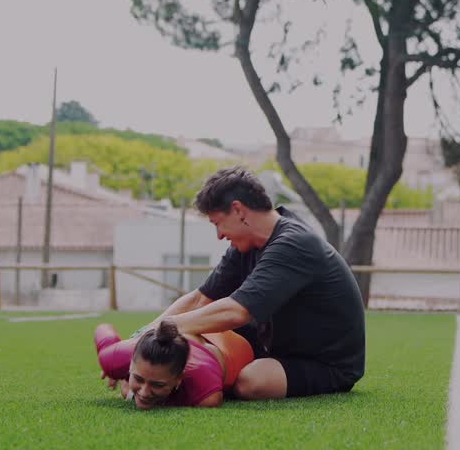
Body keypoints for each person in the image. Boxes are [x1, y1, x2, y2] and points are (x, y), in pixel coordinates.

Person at [142, 166, 365, 400]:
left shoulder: (294, 243)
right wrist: (142, 339)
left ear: (238, 210)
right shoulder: (245, 244)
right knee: (193, 335)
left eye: (217, 223)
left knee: (250, 382)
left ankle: (183, 387)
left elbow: (238, 311)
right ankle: (161, 378)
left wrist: (163, 329)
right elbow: (201, 298)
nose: (218, 235)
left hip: (325, 364)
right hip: (270, 347)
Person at [95, 320, 254, 410]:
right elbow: (103, 328)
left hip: (232, 347)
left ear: (179, 379)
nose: (144, 392)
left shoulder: (207, 395)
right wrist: (112, 366)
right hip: (181, 329)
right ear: (129, 365)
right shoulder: (118, 357)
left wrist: (129, 393)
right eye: (138, 378)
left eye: (157, 385)